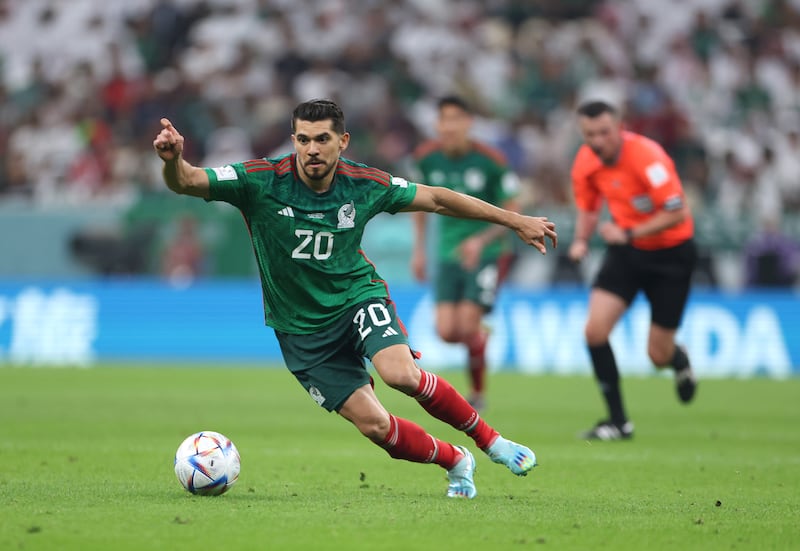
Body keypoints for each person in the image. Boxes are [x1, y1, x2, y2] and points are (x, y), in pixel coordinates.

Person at [153, 99, 558, 498]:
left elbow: (435, 198)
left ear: (342, 141)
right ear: (293, 140)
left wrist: (514, 220)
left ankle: (493, 442)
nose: (312, 149)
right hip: (301, 330)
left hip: (356, 298)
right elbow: (187, 180)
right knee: (376, 426)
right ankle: (455, 460)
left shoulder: (365, 184)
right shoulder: (259, 180)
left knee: (400, 374)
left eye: (322, 139)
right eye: (304, 139)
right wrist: (172, 160)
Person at [567, 100, 698, 441]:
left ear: (620, 128)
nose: (597, 141)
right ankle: (618, 422)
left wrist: (628, 232)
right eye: (589, 134)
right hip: (627, 254)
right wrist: (581, 240)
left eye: (604, 132)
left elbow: (678, 212)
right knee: (594, 332)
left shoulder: (647, 157)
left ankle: (678, 360)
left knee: (657, 355)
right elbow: (589, 206)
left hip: (671, 256)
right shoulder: (585, 161)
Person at [411, 95, 521, 411]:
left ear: (468, 123)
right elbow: (417, 206)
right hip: (447, 254)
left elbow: (513, 211)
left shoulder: (490, 161)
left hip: (486, 253)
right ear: (437, 124)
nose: (450, 127)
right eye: (444, 120)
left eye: (457, 119)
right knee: (446, 332)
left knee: (468, 324)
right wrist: (419, 251)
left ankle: (478, 394)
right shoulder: (426, 159)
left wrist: (481, 241)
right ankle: (479, 340)